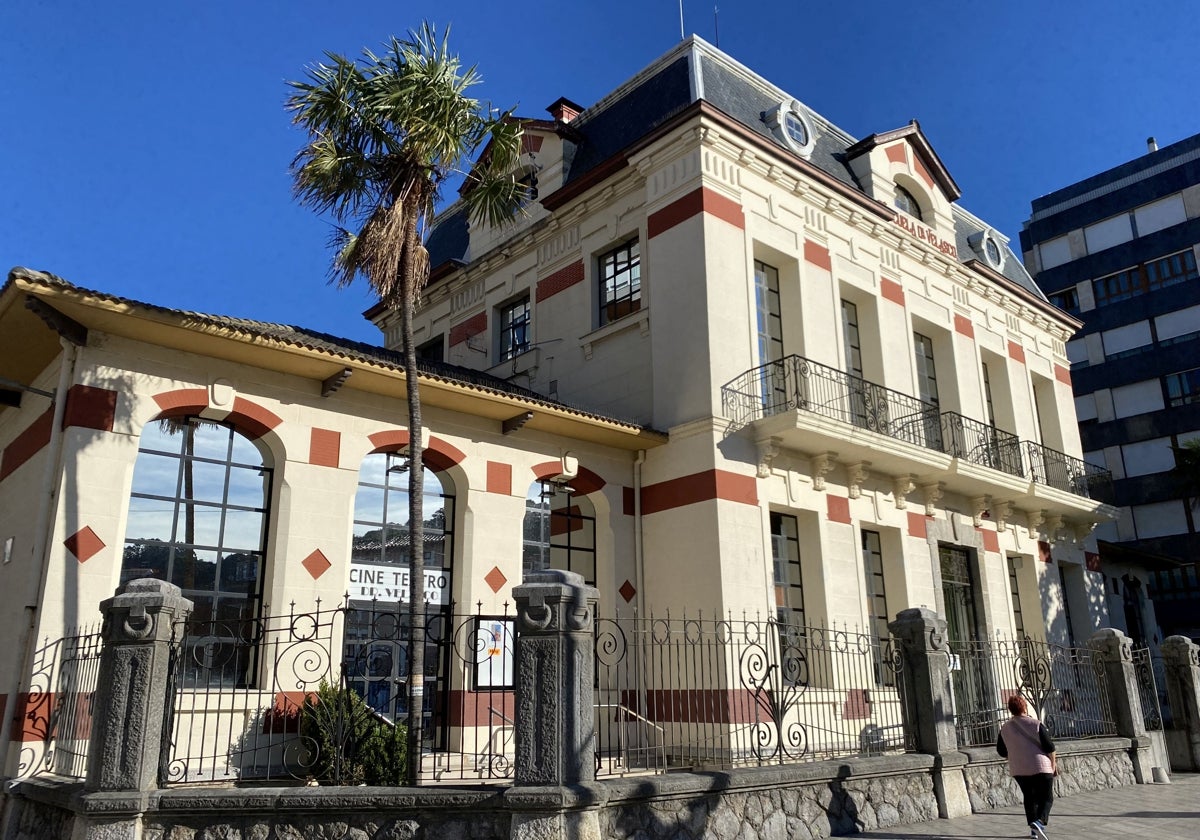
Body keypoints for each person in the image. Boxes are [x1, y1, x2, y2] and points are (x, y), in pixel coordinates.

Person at [997, 694, 1057, 840]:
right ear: (1024, 707)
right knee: (1046, 798)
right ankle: (1040, 822)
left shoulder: (1004, 729)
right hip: (1040, 767)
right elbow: (1049, 747)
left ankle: (1034, 832)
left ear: (1010, 710)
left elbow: (1001, 751)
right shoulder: (1035, 724)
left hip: (1019, 769)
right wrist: (1053, 764)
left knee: (1030, 798)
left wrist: (1016, 755)